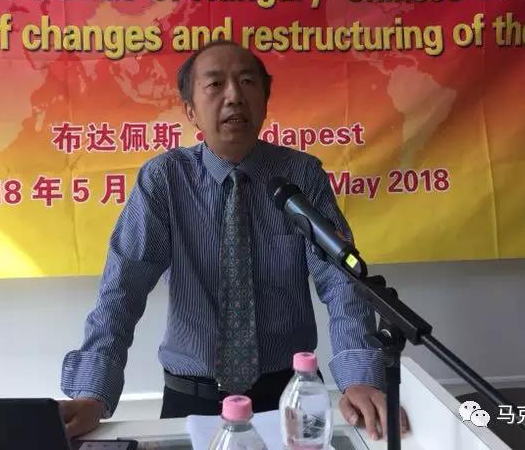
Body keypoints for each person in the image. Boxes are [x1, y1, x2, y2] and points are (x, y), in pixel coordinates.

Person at [59, 40, 409, 440]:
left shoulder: (300, 175)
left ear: (265, 102)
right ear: (191, 110)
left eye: (247, 82)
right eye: (214, 84)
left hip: (287, 395)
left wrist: (359, 377)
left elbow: (341, 280)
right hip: (190, 399)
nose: (234, 96)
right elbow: (122, 288)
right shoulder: (164, 180)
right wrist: (92, 394)